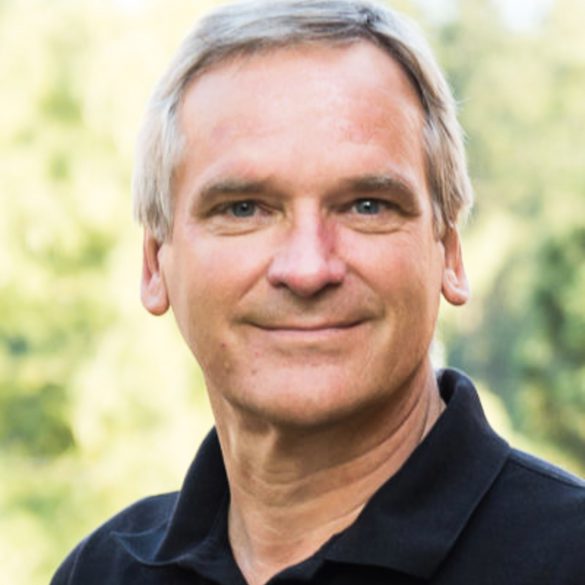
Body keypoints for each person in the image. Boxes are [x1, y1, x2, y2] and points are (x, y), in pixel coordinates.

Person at [51, 1, 585, 583]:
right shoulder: (101, 571)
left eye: (367, 206)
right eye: (244, 209)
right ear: (155, 262)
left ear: (450, 253)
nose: (308, 269)